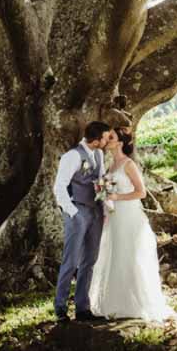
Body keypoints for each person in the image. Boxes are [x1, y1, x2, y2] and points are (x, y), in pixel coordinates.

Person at [89, 128, 173, 322]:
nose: (107, 140)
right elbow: (107, 192)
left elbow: (141, 192)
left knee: (129, 255)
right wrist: (106, 202)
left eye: (112, 137)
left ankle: (135, 304)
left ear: (120, 143)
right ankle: (116, 303)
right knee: (116, 255)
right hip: (115, 216)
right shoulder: (111, 166)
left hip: (130, 215)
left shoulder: (128, 164)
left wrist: (117, 196)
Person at [53, 121, 112, 323]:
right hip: (77, 211)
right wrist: (73, 212)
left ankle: (82, 308)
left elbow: (101, 179)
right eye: (105, 137)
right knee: (71, 262)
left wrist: (106, 205)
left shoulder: (99, 154)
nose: (107, 140)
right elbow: (59, 187)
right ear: (96, 140)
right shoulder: (73, 156)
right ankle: (60, 308)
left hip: (96, 212)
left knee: (90, 261)